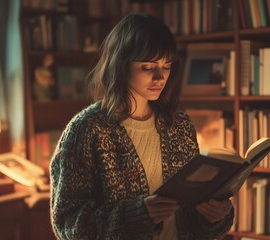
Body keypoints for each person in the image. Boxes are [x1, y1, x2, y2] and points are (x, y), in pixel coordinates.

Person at [50, 13, 234, 240]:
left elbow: (191, 219)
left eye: (166, 66)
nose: (160, 77)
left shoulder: (179, 126)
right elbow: (68, 225)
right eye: (148, 67)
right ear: (121, 65)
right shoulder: (86, 130)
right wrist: (137, 215)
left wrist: (215, 216)